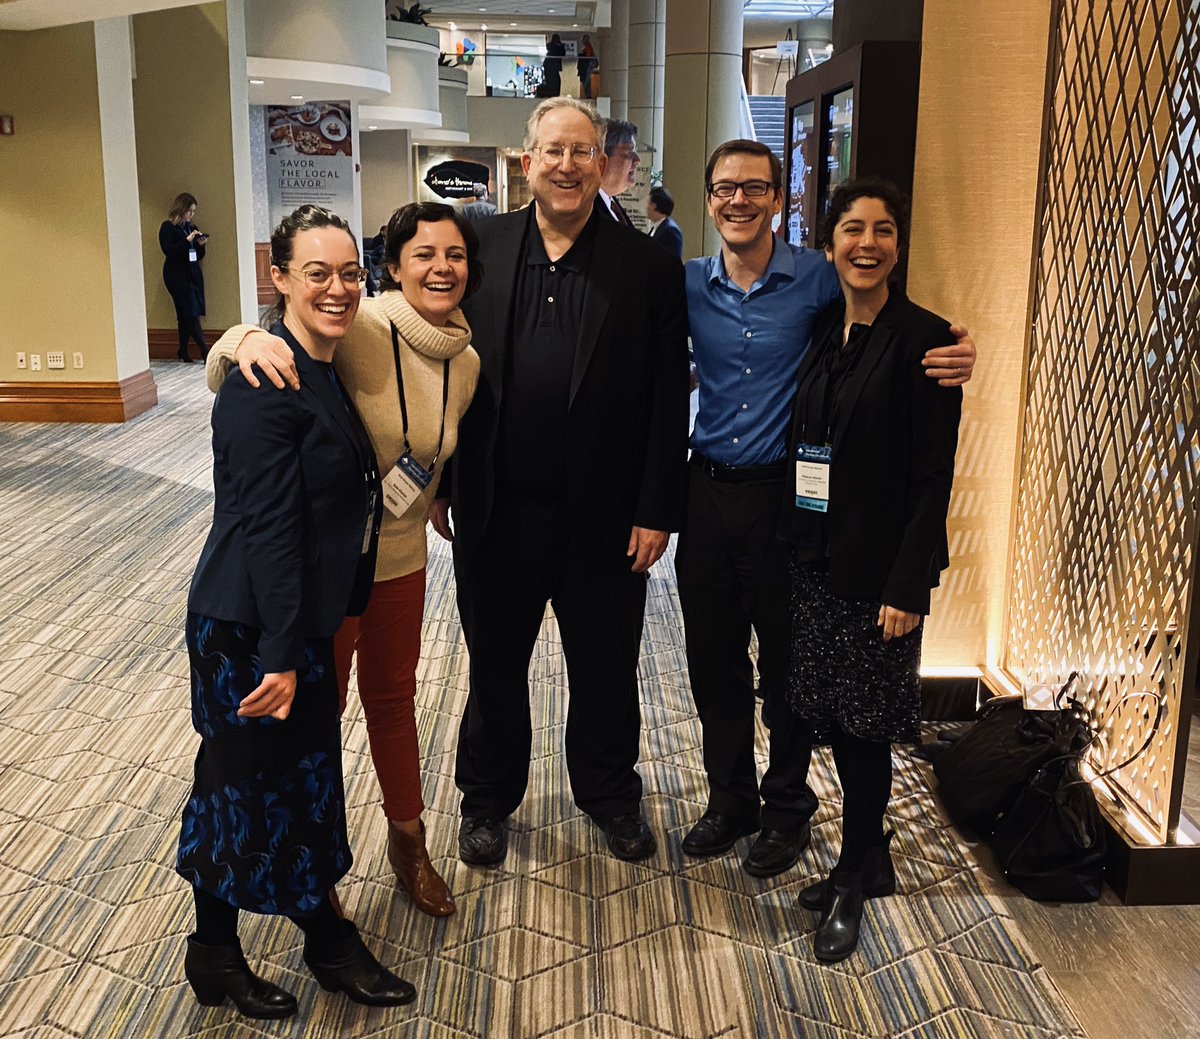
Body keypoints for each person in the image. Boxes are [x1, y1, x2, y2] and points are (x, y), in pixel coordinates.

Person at [676, 140, 976, 880]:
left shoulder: (815, 275)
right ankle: (730, 799)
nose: (739, 200)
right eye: (725, 188)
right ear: (708, 200)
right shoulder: (685, 282)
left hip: (784, 501)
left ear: (779, 200)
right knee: (713, 661)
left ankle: (785, 809)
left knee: (788, 669)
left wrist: (957, 345)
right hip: (704, 493)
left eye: (755, 187)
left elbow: (891, 318)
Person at [205, 203, 483, 919]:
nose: (441, 269)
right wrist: (241, 337)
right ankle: (316, 859)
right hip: (329, 566)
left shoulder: (468, 361)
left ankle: (408, 842)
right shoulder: (360, 323)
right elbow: (264, 347)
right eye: (424, 255)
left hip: (402, 559)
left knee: (393, 703)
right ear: (395, 267)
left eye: (455, 255)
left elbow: (436, 454)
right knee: (315, 714)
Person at [436, 97, 688, 867]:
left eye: (582, 152)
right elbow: (432, 355)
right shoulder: (480, 246)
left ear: (602, 164)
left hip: (605, 519)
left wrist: (656, 507)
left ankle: (610, 795)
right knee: (495, 667)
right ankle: (486, 800)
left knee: (606, 669)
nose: (568, 165)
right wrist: (442, 483)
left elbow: (667, 397)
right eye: (554, 151)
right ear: (528, 162)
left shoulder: (646, 264)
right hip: (498, 510)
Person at [179, 204, 412, 1020]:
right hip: (250, 628)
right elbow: (270, 529)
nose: (338, 288)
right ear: (278, 277)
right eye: (317, 273)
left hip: (290, 623)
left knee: (270, 785)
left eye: (350, 273)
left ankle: (249, 946)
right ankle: (300, 944)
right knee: (252, 789)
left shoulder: (318, 365)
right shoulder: (264, 384)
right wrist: (280, 652)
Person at [782, 177, 963, 962]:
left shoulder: (927, 340)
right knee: (832, 719)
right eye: (852, 229)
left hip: (880, 576)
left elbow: (932, 478)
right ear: (829, 246)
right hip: (819, 562)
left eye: (882, 230)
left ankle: (853, 876)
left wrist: (906, 586)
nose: (867, 243)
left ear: (898, 245)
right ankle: (870, 856)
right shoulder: (827, 328)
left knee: (865, 733)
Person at [160, 192, 208, 363]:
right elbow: (168, 250)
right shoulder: (168, 227)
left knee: (184, 314)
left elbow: (197, 255)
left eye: (194, 211)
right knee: (190, 312)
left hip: (191, 273)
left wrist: (200, 245)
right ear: (181, 209)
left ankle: (182, 350)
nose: (191, 215)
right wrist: (186, 241)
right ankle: (205, 351)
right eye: (189, 211)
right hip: (175, 275)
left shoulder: (191, 227)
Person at [598, 119, 640, 226]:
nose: (637, 160)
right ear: (602, 160)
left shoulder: (611, 204)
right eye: (629, 152)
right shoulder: (585, 211)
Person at [646, 186, 683, 259]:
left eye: (648, 203)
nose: (646, 207)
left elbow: (674, 260)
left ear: (654, 206)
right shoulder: (656, 227)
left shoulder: (671, 230)